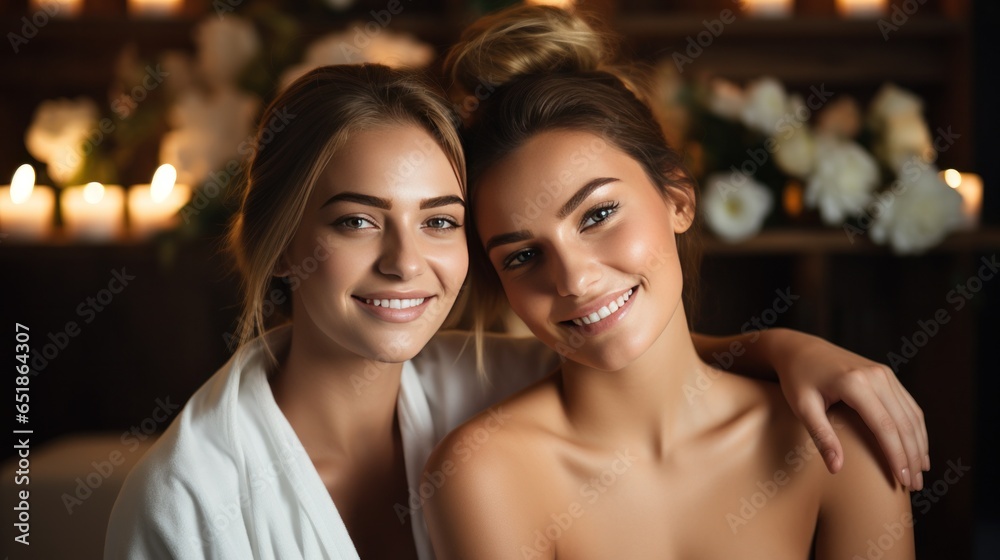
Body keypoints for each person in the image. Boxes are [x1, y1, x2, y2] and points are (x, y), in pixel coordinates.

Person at [105, 57, 923, 560]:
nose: (404, 261)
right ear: (283, 244)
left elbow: (634, 348)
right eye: (356, 220)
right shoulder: (187, 499)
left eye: (440, 221)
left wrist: (787, 347)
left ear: (680, 196)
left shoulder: (481, 371)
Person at [423, 8, 915, 559]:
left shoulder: (839, 442)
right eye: (523, 256)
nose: (574, 278)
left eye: (597, 214)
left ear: (677, 199)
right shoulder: (485, 474)